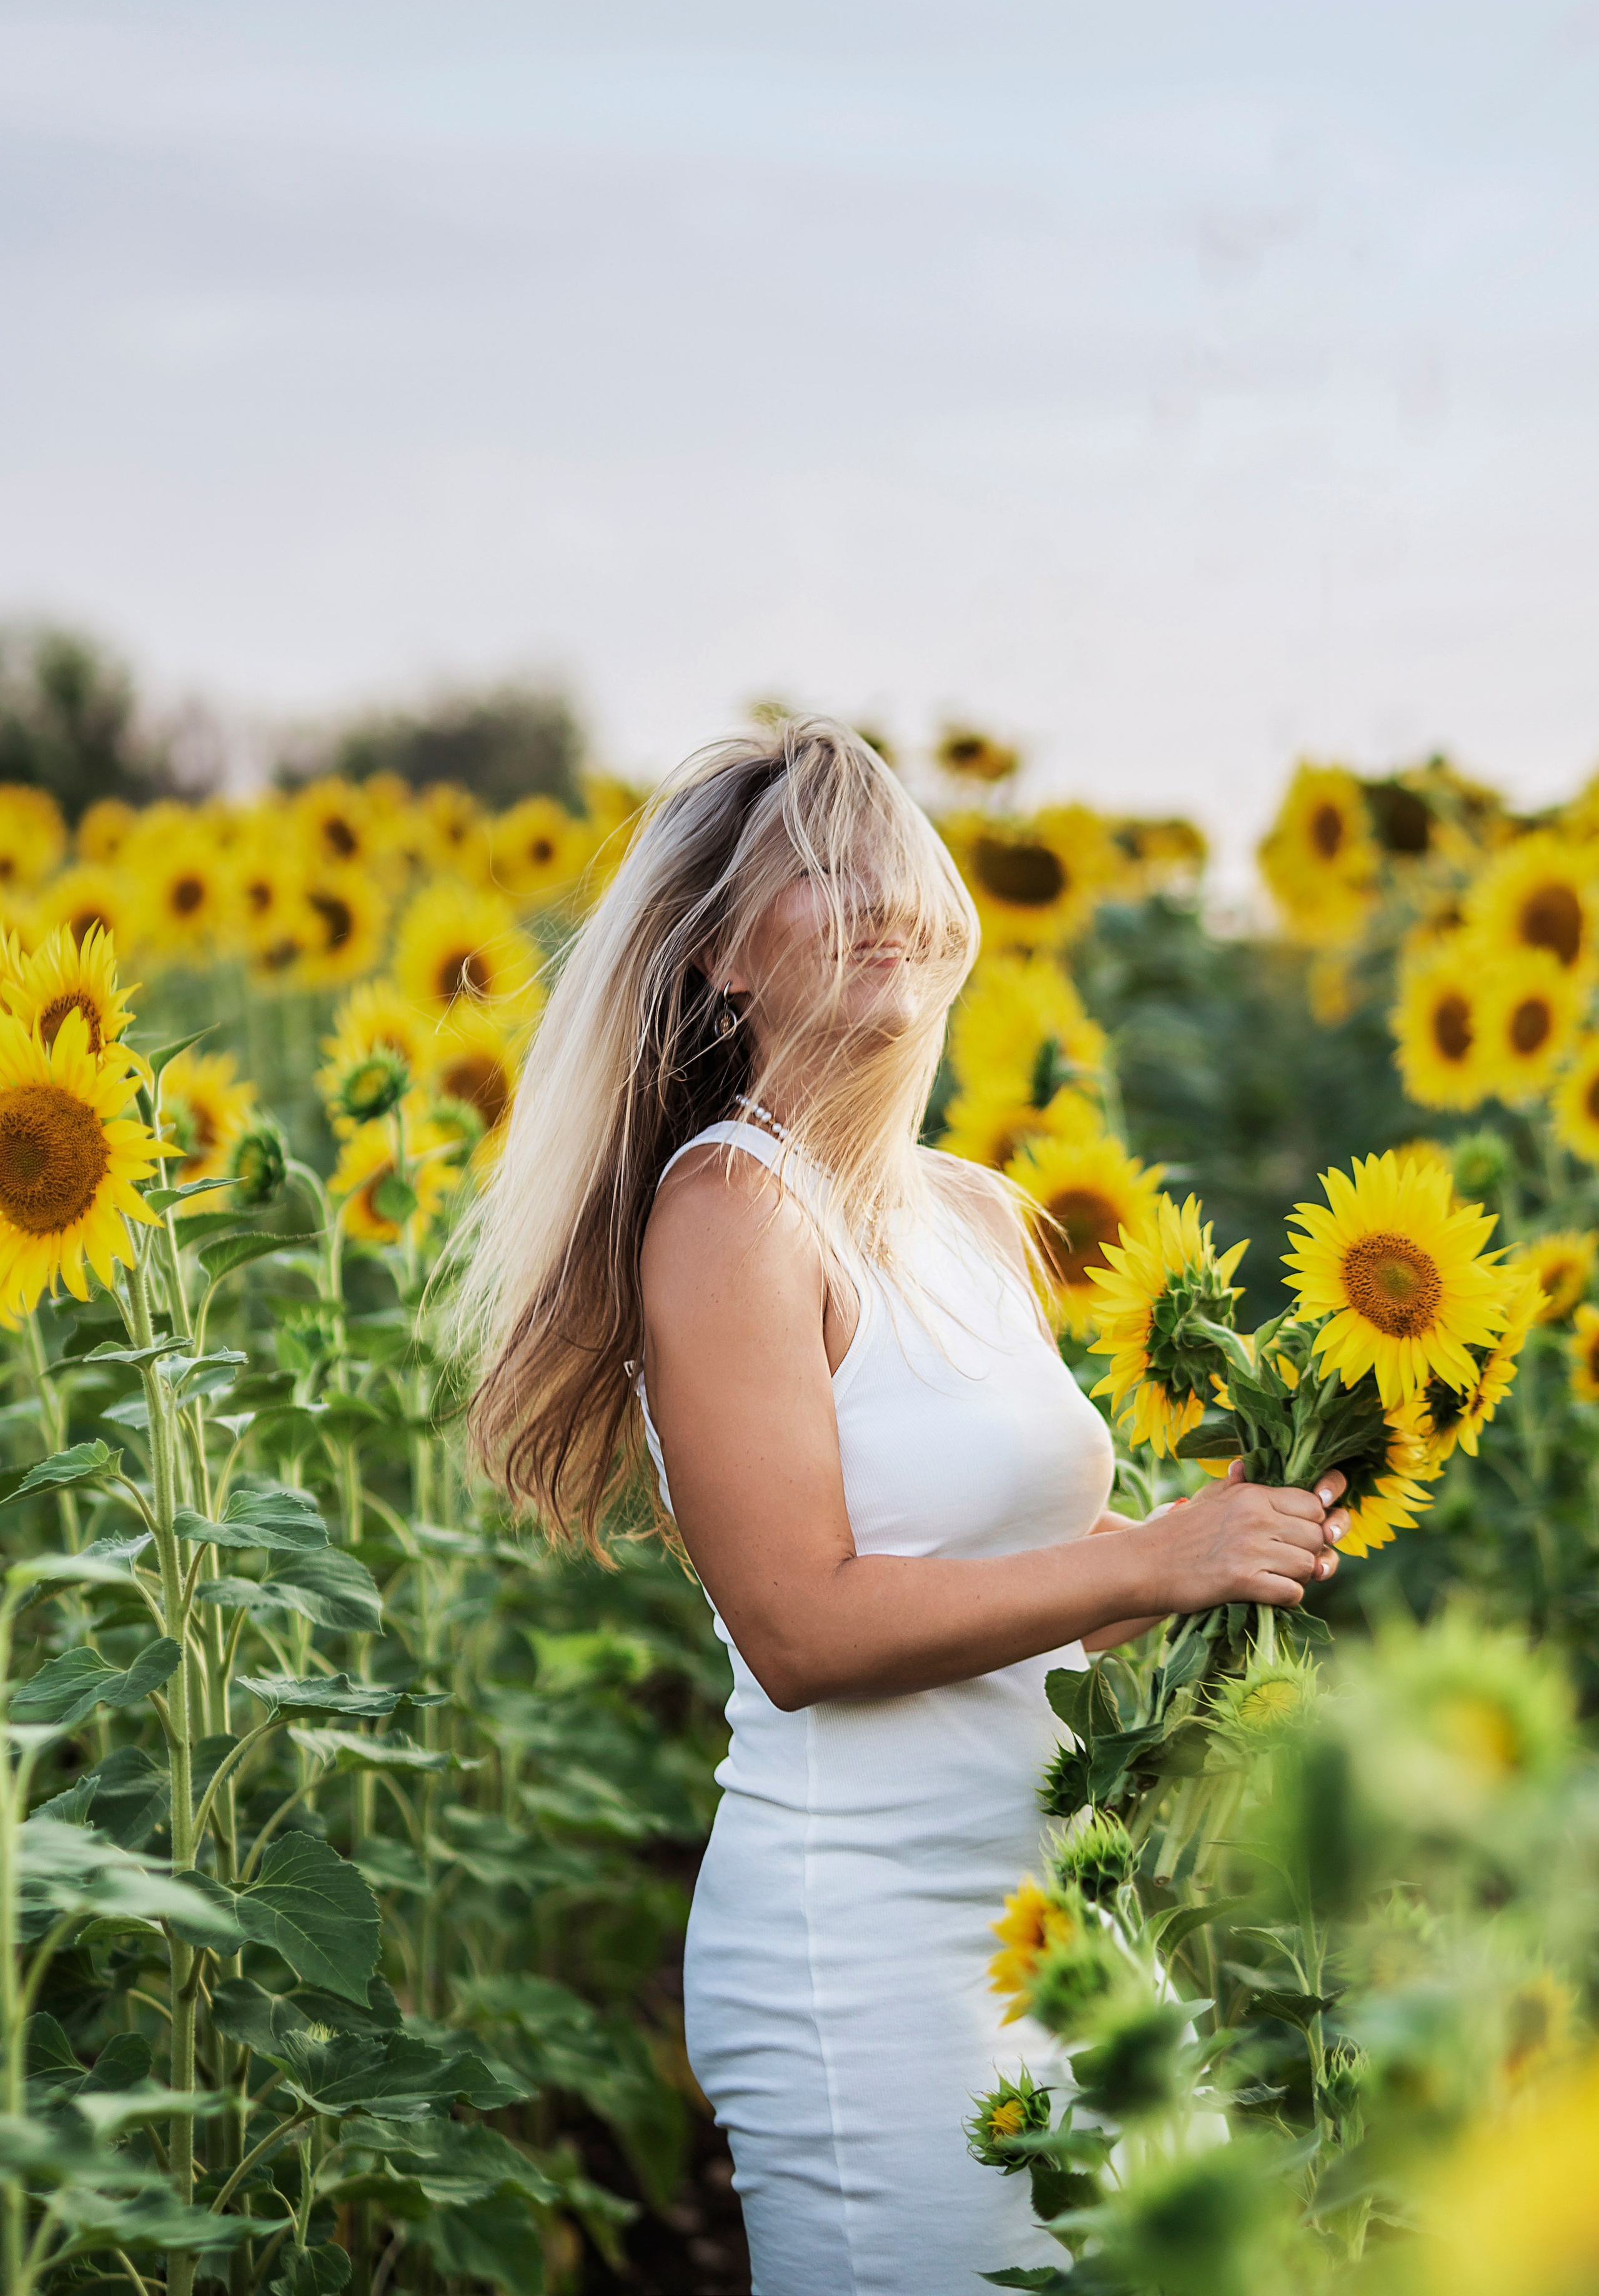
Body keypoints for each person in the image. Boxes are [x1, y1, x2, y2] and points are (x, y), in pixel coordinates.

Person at [462, 717, 1349, 2296]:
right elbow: (801, 1624)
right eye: (815, 870)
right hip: (861, 1934)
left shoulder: (968, 1214)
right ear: (723, 961)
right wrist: (1148, 1554)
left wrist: (1213, 1547)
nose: (874, 895)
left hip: (1045, 1910)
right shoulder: (729, 1211)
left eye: (889, 857)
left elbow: (1005, 1583)